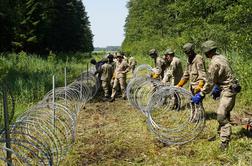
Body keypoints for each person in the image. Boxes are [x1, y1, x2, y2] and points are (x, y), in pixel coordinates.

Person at [192, 40, 241, 150]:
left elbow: (210, 81)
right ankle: (221, 135)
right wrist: (218, 87)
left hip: (228, 90)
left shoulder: (214, 63)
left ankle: (225, 142)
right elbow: (225, 74)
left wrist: (201, 94)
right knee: (225, 112)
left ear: (207, 52)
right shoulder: (222, 57)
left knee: (221, 115)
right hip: (228, 88)